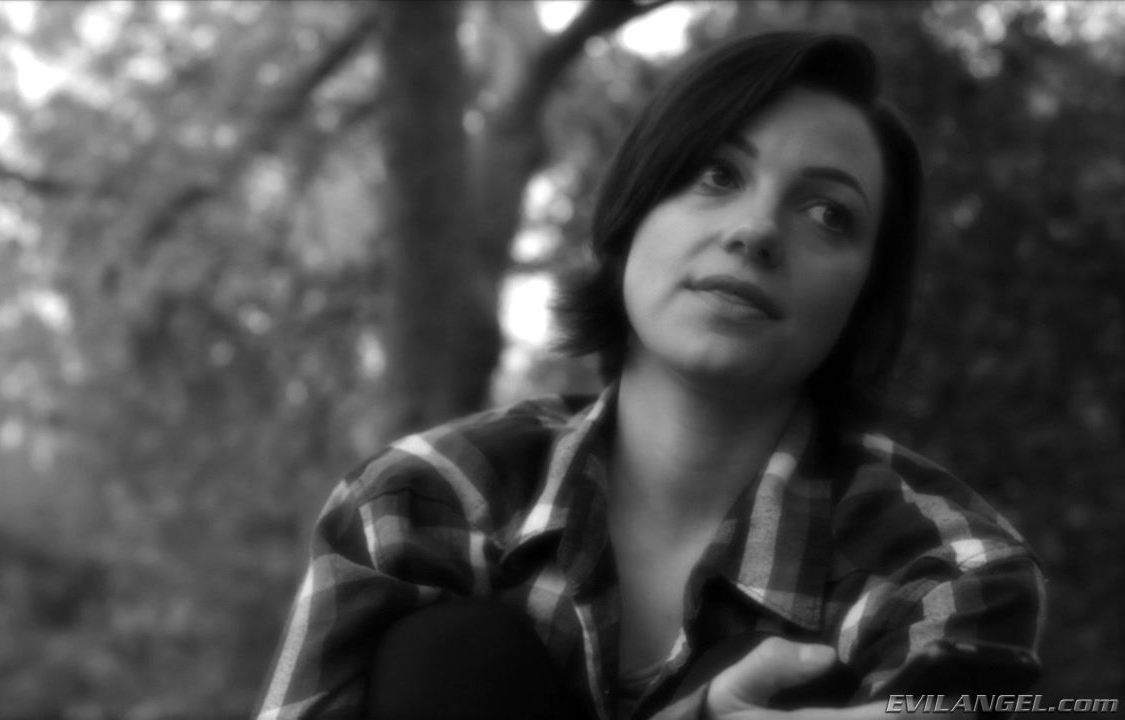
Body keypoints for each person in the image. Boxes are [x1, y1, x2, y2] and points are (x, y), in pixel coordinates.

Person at [253, 31, 1045, 720]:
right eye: (716, 176)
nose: (756, 231)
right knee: (452, 661)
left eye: (828, 214)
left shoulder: (945, 564)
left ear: (866, 295)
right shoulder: (419, 503)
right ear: (631, 214)